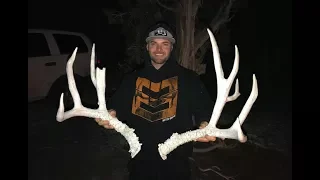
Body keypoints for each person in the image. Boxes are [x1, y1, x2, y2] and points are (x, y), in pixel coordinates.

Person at [95, 22, 217, 180]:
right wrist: (109, 115)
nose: (159, 49)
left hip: (176, 162)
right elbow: (116, 107)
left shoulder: (189, 78)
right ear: (147, 47)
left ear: (172, 47)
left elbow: (203, 108)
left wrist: (205, 123)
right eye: (154, 43)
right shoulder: (132, 79)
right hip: (140, 160)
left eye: (165, 44)